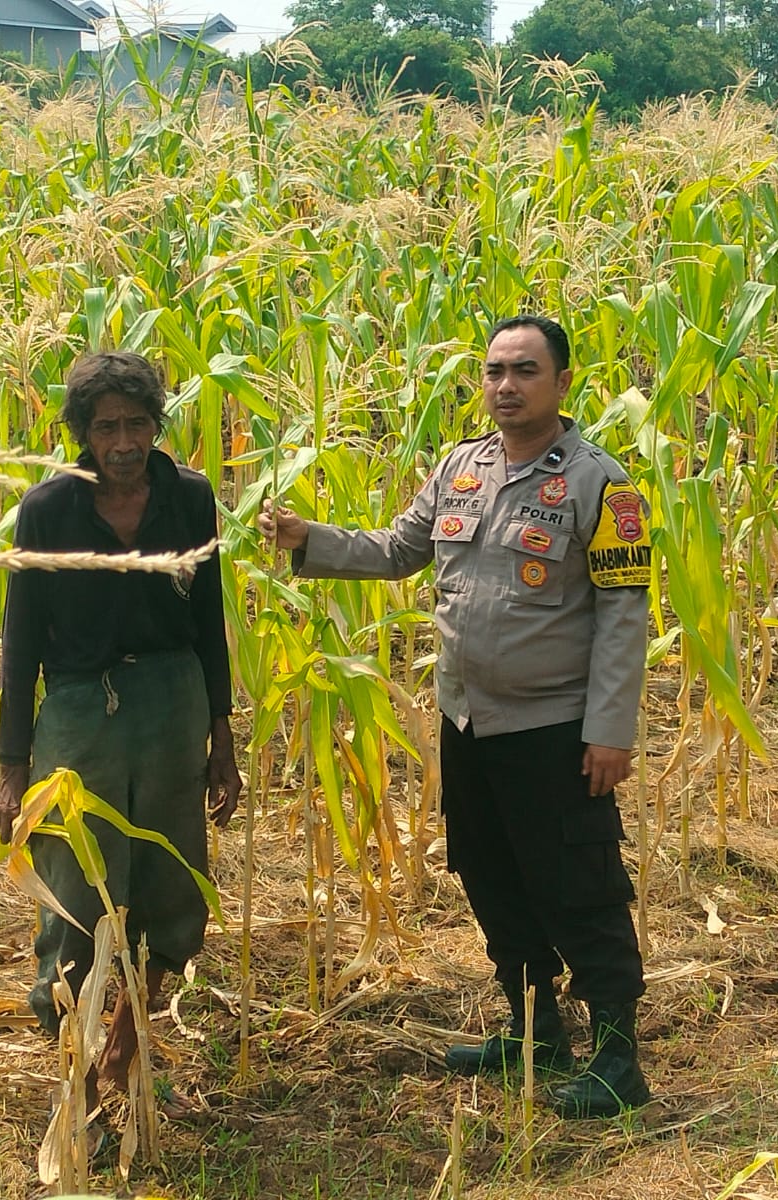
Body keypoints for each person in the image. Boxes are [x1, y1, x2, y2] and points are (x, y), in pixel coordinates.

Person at [258, 315, 652, 1119]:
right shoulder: (460, 468)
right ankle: (534, 1031)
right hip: (469, 722)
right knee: (490, 875)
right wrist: (308, 539)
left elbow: (623, 614)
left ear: (561, 382)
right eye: (494, 371)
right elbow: (398, 550)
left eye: (525, 371)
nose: (506, 386)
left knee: (577, 887)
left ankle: (618, 1058)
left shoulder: (600, 486)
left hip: (552, 729)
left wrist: (609, 730)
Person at [0, 350, 243, 1108]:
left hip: (173, 702)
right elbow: (20, 642)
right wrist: (12, 767)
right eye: (107, 428)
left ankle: (124, 1052)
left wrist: (221, 734)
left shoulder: (188, 497)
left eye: (137, 424)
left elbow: (208, 616)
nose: (125, 443)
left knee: (170, 883)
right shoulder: (48, 510)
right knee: (75, 890)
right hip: (78, 708)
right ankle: (77, 1065)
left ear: (155, 425)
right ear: (83, 432)